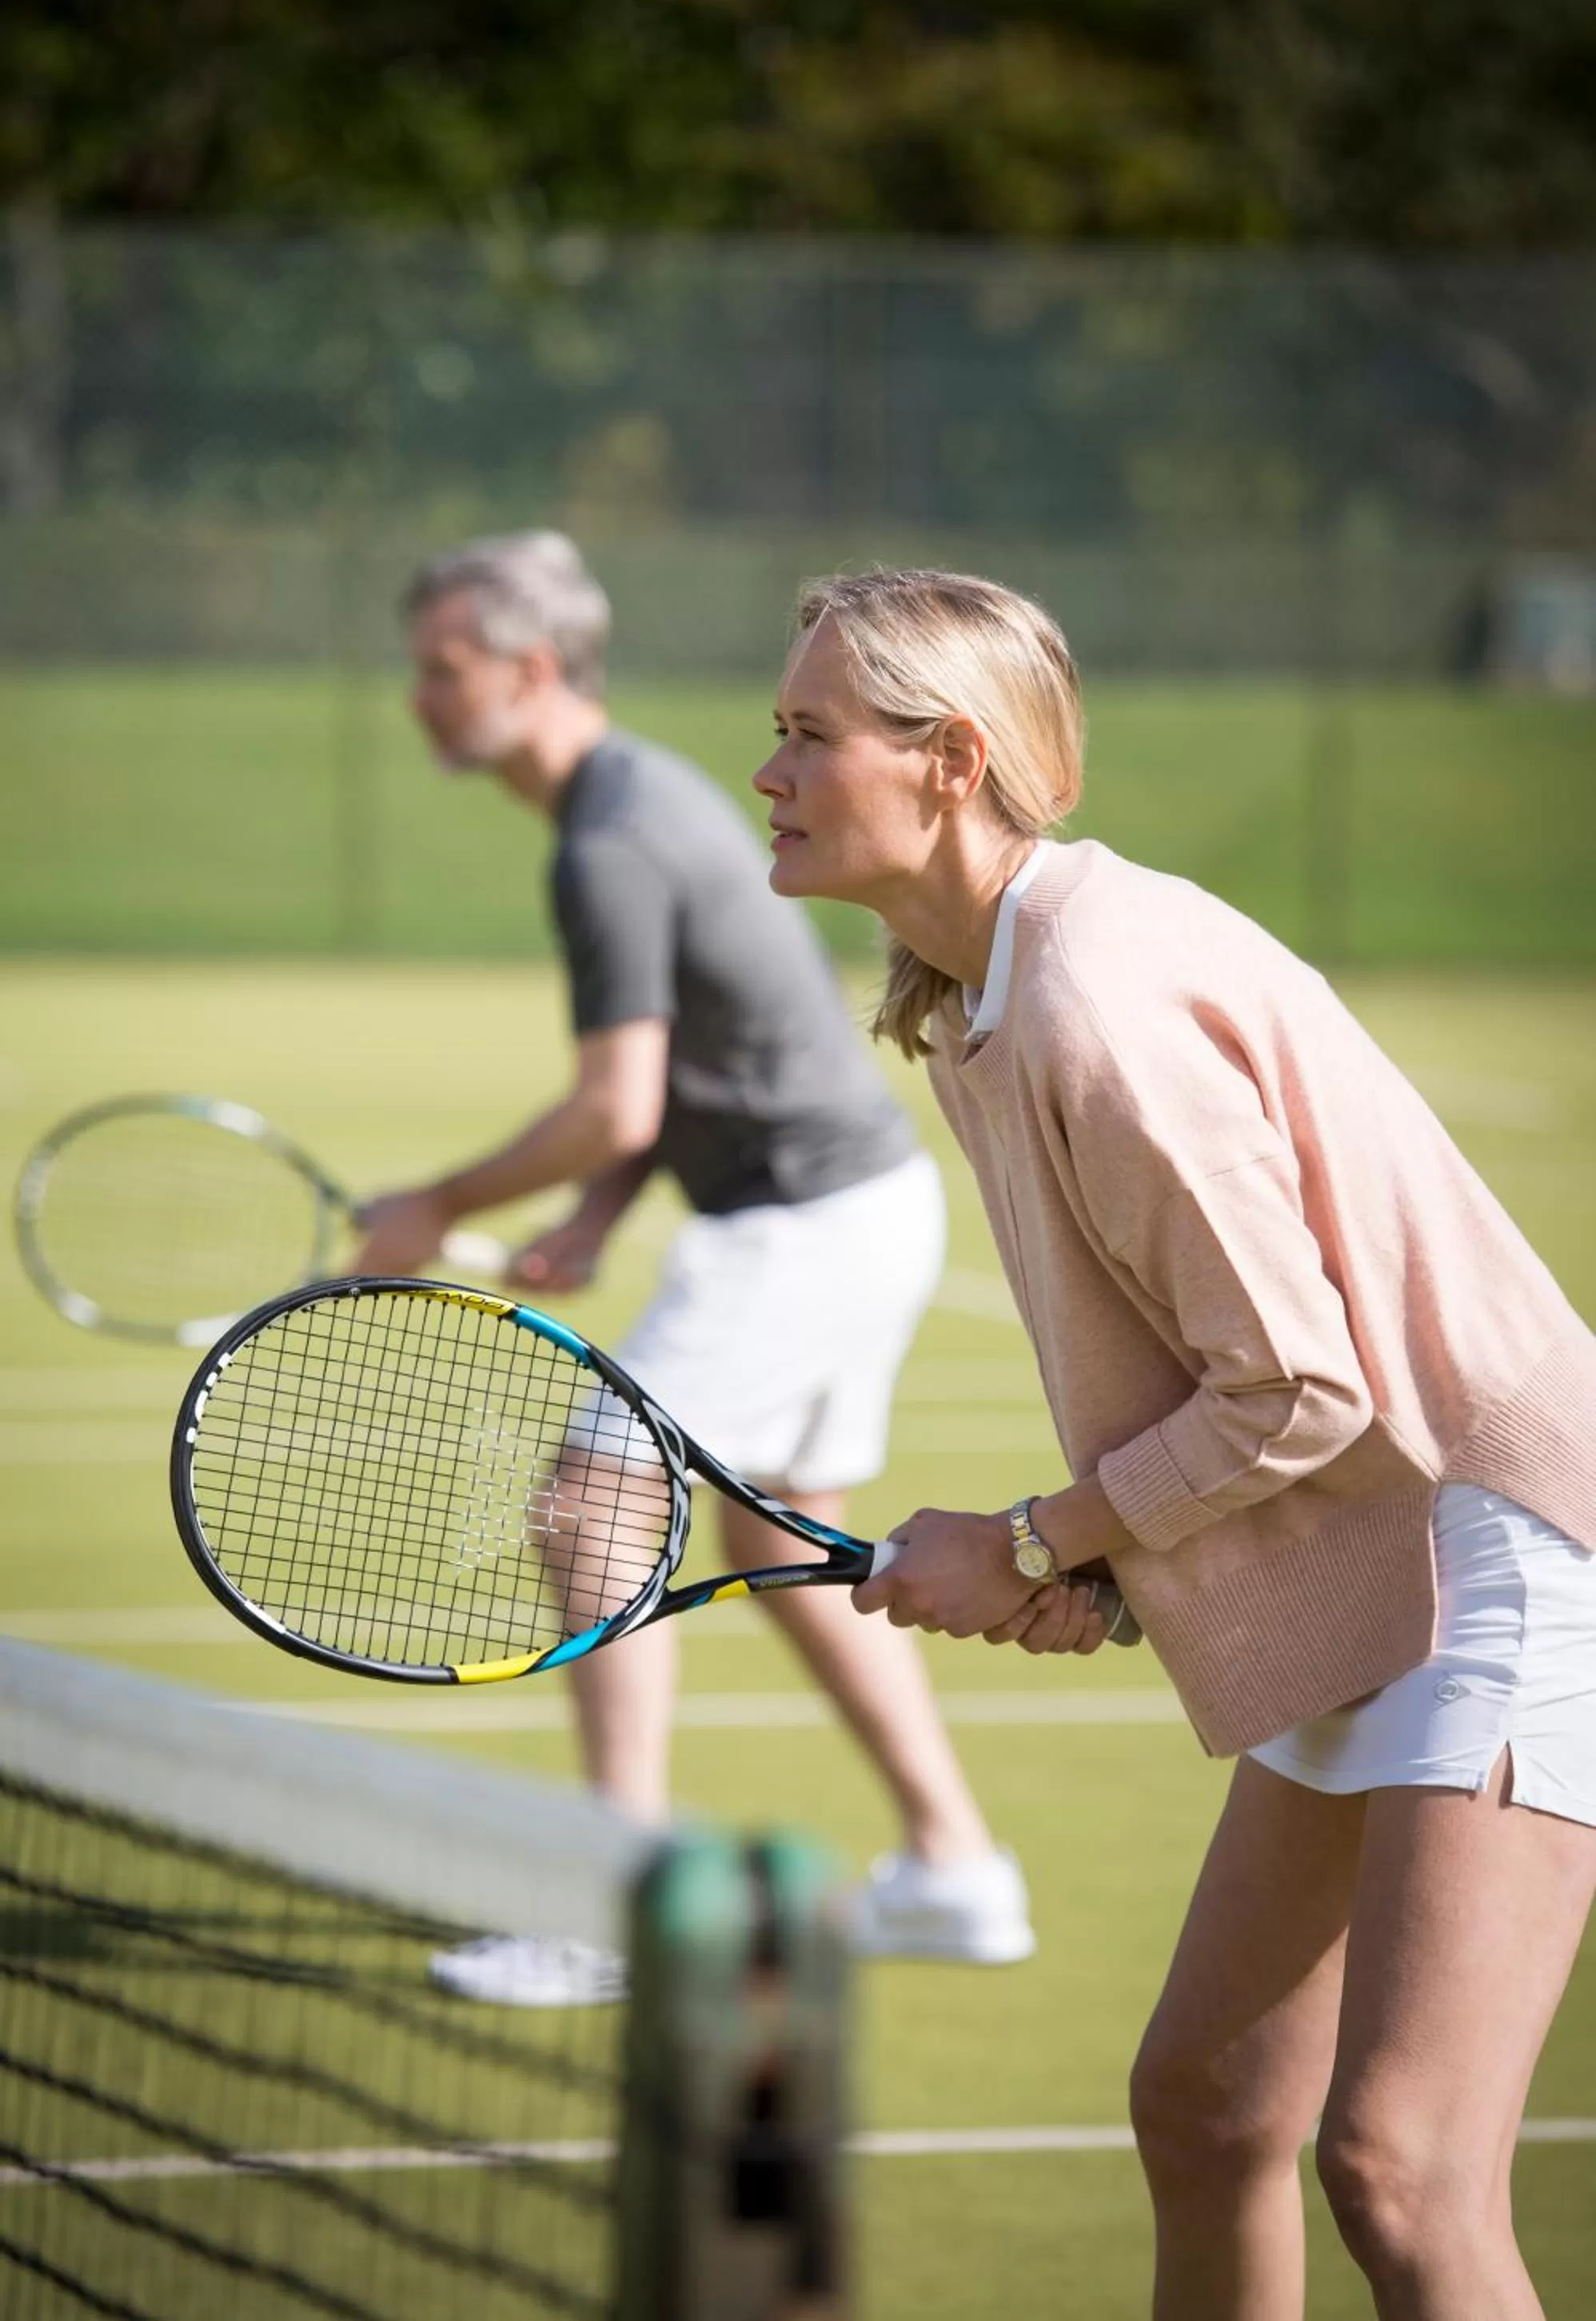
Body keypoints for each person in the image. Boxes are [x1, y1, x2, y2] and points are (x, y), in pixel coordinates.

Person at [755, 564, 1596, 2321]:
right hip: (1371, 1552)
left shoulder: (1092, 1008)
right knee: (1207, 2111)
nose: (767, 772)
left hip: (1503, 1548)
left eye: (808, 734)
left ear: (948, 763)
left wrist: (1047, 1542)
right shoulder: (982, 992)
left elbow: (1298, 1386)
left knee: (1397, 2167)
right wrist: (1108, 1567)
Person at [352, 530, 1035, 2004]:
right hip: (854, 1207)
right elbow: (679, 1075)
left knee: (593, 1504)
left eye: (442, 669)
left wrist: (433, 1203)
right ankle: (959, 1868)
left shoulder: (611, 836)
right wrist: (599, 1217)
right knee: (783, 1545)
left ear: (529, 673)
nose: (418, 696)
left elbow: (619, 1099)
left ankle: (614, 1906)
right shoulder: (633, 799)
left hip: (799, 1221)